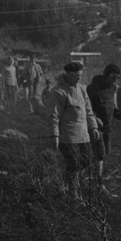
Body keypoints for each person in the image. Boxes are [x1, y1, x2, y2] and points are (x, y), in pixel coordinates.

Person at [49, 61, 101, 194]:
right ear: (68, 75)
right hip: (68, 136)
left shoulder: (82, 89)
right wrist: (54, 135)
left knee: (87, 160)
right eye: (77, 75)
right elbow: (53, 115)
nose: (79, 78)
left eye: (80, 75)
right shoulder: (58, 91)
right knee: (73, 164)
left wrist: (93, 127)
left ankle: (67, 182)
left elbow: (89, 110)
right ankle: (74, 193)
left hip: (83, 135)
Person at [86, 63, 121, 179]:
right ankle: (97, 182)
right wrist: (94, 117)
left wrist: (120, 115)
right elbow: (86, 107)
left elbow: (113, 106)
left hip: (107, 128)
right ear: (107, 75)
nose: (115, 80)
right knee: (100, 154)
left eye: (118, 78)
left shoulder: (113, 88)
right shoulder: (93, 88)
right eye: (114, 77)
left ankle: (94, 178)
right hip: (95, 128)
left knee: (105, 154)